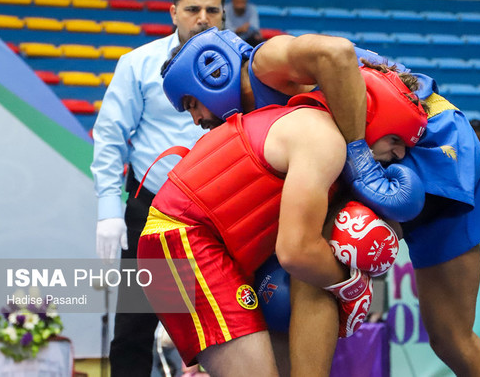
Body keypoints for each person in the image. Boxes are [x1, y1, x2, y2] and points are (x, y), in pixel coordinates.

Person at [163, 27, 480, 376]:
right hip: (456, 145)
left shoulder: (264, 62)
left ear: (211, 72)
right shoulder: (266, 123)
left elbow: (339, 53)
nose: (196, 119)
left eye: (192, 103)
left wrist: (359, 156)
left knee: (310, 256)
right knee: (452, 339)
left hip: (420, 140)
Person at [139, 60, 428, 376]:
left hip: (206, 247)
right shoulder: (323, 138)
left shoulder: (316, 135)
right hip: (181, 242)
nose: (399, 155)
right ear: (375, 114)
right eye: (396, 138)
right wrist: (352, 286)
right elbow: (296, 252)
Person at [90, 0, 225, 377]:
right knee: (136, 327)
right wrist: (109, 210)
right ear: (173, 12)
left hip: (224, 211)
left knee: (225, 321)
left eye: (212, 10)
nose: (203, 17)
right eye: (192, 9)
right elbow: (111, 137)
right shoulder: (139, 64)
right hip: (153, 209)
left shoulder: (245, 64)